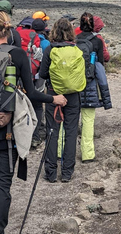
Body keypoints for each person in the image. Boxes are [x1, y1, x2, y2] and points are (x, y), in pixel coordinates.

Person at [0, 11, 66, 234]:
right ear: (9, 29)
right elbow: (31, 93)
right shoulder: (18, 54)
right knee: (2, 186)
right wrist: (53, 98)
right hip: (6, 130)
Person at [39, 17, 85, 183]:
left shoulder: (50, 49)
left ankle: (51, 172)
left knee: (52, 131)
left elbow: (43, 74)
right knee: (71, 132)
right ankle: (67, 172)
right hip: (73, 95)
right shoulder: (76, 49)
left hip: (54, 95)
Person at [76, 12, 112, 162]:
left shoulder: (73, 40)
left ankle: (61, 151)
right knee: (88, 119)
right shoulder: (97, 41)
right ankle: (88, 154)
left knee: (67, 120)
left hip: (72, 84)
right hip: (89, 84)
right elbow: (100, 66)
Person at [28, 19, 51, 149]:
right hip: (40, 79)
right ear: (44, 29)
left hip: (27, 77)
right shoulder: (46, 43)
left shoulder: (27, 40)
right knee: (37, 107)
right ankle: (35, 137)